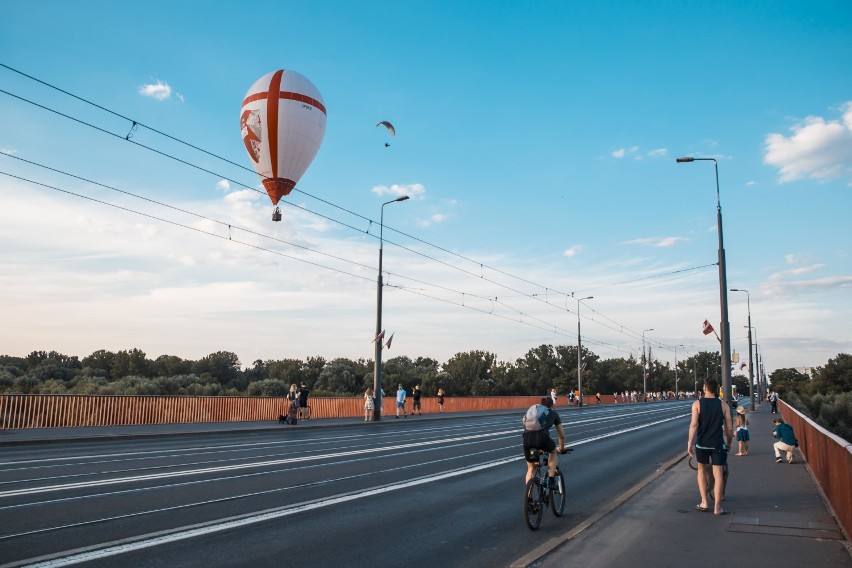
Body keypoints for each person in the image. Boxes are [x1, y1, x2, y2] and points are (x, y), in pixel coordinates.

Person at [687, 378, 733, 516]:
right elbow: (729, 429)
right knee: (718, 474)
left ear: (704, 388)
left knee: (701, 471)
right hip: (718, 443)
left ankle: (704, 502)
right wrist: (729, 443)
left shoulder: (697, 404)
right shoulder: (723, 405)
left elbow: (694, 425)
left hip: (702, 443)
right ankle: (717, 507)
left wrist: (689, 443)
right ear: (716, 389)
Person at [523, 397, 566, 487]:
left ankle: (528, 496)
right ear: (552, 405)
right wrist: (561, 449)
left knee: (531, 468)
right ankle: (550, 479)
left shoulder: (534, 412)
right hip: (542, 440)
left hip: (527, 439)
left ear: (541, 404)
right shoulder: (553, 414)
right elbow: (561, 435)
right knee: (553, 451)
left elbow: (524, 422)